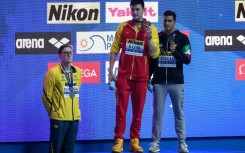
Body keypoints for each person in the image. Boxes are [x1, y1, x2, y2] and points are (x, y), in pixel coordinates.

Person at [108, 0, 160, 152]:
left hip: (141, 77)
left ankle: (134, 141)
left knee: (138, 112)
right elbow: (114, 49)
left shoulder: (152, 29)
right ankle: (118, 140)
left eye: (137, 9)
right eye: (132, 9)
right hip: (123, 77)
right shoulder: (123, 27)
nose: (135, 12)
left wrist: (149, 38)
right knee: (121, 110)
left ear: (144, 10)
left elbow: (155, 53)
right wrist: (111, 72)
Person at [148, 10, 191, 153]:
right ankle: (155, 143)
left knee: (179, 113)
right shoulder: (157, 37)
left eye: (169, 21)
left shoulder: (183, 38)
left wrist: (175, 51)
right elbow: (152, 60)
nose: (167, 23)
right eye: (165, 20)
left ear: (174, 22)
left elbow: (188, 60)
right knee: (157, 113)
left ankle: (182, 144)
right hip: (159, 83)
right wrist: (149, 77)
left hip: (177, 83)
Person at [42, 44, 82, 153]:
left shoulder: (78, 71)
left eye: (70, 52)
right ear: (59, 55)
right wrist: (53, 111)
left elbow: (76, 93)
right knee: (56, 149)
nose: (69, 54)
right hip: (59, 119)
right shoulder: (52, 73)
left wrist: (77, 111)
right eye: (65, 52)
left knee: (69, 149)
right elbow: (46, 96)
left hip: (74, 119)